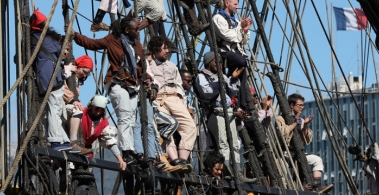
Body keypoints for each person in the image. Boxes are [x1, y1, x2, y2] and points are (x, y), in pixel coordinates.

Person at [73, 18, 143, 164]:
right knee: (124, 117)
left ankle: (130, 150)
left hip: (133, 85)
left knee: (131, 120)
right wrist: (76, 35)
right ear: (126, 30)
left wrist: (149, 81)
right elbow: (93, 44)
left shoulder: (136, 44)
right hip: (118, 83)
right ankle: (127, 152)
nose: (138, 31)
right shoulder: (113, 39)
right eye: (135, 29)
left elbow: (142, 66)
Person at [195, 51, 255, 183]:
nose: (219, 64)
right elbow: (207, 92)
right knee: (223, 143)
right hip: (216, 112)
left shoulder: (221, 76)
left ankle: (237, 172)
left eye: (221, 62)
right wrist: (220, 82)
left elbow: (232, 91)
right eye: (216, 61)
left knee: (234, 144)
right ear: (209, 62)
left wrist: (233, 79)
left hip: (228, 112)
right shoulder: (202, 76)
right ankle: (226, 170)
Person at [147, 36, 196, 171]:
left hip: (174, 98)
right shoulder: (148, 65)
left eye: (167, 48)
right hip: (158, 99)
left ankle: (183, 158)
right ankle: (174, 159)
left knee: (190, 126)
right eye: (164, 48)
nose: (167, 51)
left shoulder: (172, 66)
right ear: (155, 50)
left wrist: (183, 103)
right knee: (167, 127)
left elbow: (179, 86)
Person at [29, 8, 75, 152]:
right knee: (54, 111)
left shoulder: (31, 39)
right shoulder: (49, 39)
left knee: (52, 110)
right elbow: (59, 49)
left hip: (43, 79)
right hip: (53, 79)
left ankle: (63, 140)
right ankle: (57, 141)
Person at [276, 93, 331, 192]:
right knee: (281, 177)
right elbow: (282, 134)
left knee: (317, 160)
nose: (302, 107)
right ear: (292, 105)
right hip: (283, 153)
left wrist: (304, 124)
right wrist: (294, 124)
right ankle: (295, 190)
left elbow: (305, 139)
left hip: (297, 153)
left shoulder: (301, 120)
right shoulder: (281, 119)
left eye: (303, 105)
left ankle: (317, 186)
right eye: (300, 105)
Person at [212, 0, 252, 110]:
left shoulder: (236, 22)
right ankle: (232, 85)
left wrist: (245, 29)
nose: (237, 7)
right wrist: (240, 29)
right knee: (242, 62)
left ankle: (241, 103)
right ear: (227, 3)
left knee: (243, 71)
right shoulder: (218, 18)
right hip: (224, 52)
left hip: (236, 52)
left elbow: (243, 41)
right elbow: (228, 36)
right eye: (235, 4)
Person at [81, 95, 127, 170]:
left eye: (101, 110)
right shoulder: (81, 113)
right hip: (72, 146)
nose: (98, 113)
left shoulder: (103, 122)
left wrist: (120, 159)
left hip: (86, 150)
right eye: (96, 109)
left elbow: (110, 141)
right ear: (91, 106)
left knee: (86, 174)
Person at [63, 55, 94, 153]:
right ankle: (73, 142)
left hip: (65, 106)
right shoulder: (67, 72)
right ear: (78, 66)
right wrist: (72, 100)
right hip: (59, 105)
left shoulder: (75, 79)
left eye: (87, 74)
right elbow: (61, 87)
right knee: (77, 110)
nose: (84, 75)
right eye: (84, 72)